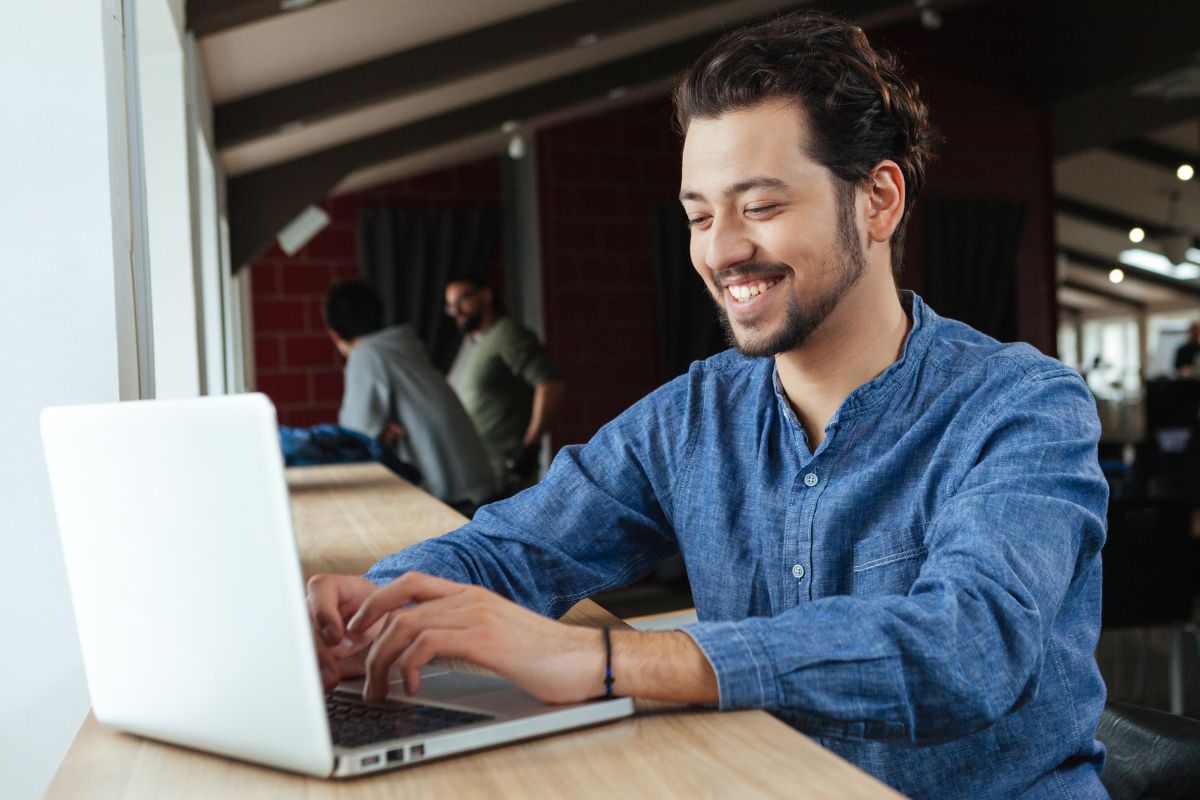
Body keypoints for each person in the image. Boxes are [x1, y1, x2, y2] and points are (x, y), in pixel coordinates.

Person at [308, 13, 1108, 798]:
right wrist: (373, 611)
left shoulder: (1021, 407)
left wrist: (608, 662)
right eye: (698, 216)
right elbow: (512, 550)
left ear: (878, 201)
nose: (721, 250)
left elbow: (967, 650)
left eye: (760, 207)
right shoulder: (693, 417)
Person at [324, 280, 495, 510]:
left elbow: (355, 442)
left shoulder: (366, 354)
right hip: (478, 485)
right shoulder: (403, 345)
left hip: (454, 501)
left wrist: (379, 438)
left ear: (335, 335)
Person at [443, 276, 565, 491]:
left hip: (506, 471)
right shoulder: (472, 342)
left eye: (462, 300)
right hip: (477, 468)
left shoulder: (508, 334)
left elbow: (550, 385)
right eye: (451, 306)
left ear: (486, 296)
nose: (456, 311)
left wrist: (529, 445)